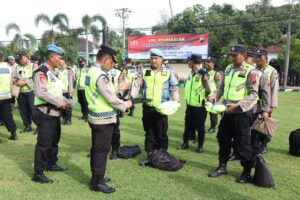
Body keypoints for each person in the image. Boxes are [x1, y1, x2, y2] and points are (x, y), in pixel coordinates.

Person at [207, 44, 260, 183]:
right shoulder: (229, 69)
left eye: (235, 55)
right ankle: (222, 166)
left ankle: (246, 172)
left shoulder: (251, 71)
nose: (232, 58)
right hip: (227, 111)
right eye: (231, 55)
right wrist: (214, 96)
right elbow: (221, 88)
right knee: (222, 139)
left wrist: (238, 104)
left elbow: (254, 94)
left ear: (243, 55)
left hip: (242, 113)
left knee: (243, 143)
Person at [85, 45, 132, 193]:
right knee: (101, 151)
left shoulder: (92, 71)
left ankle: (96, 177)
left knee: (96, 149)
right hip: (103, 119)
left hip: (95, 117)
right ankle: (97, 182)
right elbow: (110, 98)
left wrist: (119, 88)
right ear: (105, 60)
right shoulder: (100, 75)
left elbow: (105, 92)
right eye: (111, 62)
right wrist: (125, 104)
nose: (112, 66)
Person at [131, 48, 179, 164]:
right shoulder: (145, 71)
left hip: (161, 109)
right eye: (152, 58)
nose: (153, 60)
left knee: (161, 133)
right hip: (147, 107)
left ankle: (162, 156)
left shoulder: (168, 72)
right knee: (149, 132)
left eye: (156, 58)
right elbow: (137, 85)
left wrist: (176, 101)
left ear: (161, 59)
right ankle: (150, 156)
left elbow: (174, 88)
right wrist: (131, 96)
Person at [32, 45, 71, 184]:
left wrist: (65, 101)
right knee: (44, 143)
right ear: (51, 57)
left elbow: (56, 92)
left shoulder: (53, 73)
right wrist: (61, 102)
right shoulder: (41, 72)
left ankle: (51, 163)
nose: (61, 61)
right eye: (59, 58)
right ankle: (38, 172)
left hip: (55, 113)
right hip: (45, 113)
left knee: (54, 141)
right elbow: (41, 93)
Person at [177, 54, 210, 153]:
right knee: (187, 125)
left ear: (194, 63)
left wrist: (203, 98)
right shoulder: (191, 73)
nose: (189, 63)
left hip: (200, 106)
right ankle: (185, 143)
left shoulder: (203, 74)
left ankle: (200, 146)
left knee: (200, 127)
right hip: (190, 105)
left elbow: (208, 90)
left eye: (190, 62)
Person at [256, 48, 279, 154]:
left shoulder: (272, 71)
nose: (258, 59)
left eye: (260, 57)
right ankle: (255, 144)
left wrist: (271, 106)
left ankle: (264, 145)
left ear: (266, 59)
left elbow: (274, 89)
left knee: (264, 124)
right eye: (257, 57)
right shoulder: (253, 69)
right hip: (254, 102)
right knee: (254, 124)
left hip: (266, 102)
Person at [15, 51, 39, 132]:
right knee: (23, 111)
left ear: (26, 56)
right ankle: (27, 126)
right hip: (21, 92)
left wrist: (25, 82)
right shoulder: (17, 67)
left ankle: (39, 127)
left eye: (21, 58)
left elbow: (37, 79)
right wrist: (15, 81)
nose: (20, 60)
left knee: (33, 110)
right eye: (18, 59)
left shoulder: (34, 66)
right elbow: (14, 77)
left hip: (31, 91)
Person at [0, 52, 18, 140]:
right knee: (7, 115)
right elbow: (13, 80)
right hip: (7, 95)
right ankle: (13, 134)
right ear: (2, 58)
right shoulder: (8, 67)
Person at [107, 62, 122, 159]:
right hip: (101, 103)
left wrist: (120, 94)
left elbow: (122, 85)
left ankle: (115, 149)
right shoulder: (99, 72)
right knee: (99, 129)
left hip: (114, 102)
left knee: (115, 128)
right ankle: (96, 149)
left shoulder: (119, 72)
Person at [205, 56, 222, 133]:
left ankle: (213, 127)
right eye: (206, 62)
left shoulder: (216, 73)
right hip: (204, 96)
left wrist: (215, 95)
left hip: (212, 96)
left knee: (212, 112)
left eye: (209, 62)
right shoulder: (205, 72)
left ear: (213, 64)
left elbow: (219, 86)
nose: (207, 63)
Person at [58, 58, 74, 125]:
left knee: (67, 106)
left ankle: (68, 120)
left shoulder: (69, 70)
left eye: (61, 61)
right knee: (61, 106)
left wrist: (70, 91)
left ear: (65, 62)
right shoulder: (59, 71)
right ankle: (64, 118)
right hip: (60, 91)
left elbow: (70, 81)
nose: (60, 62)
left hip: (67, 91)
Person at [75, 57, 89, 121]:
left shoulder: (87, 69)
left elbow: (89, 78)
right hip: (78, 88)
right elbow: (76, 77)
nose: (80, 63)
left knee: (85, 102)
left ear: (84, 62)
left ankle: (87, 116)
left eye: (81, 62)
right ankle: (84, 115)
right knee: (80, 102)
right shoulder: (77, 69)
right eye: (79, 62)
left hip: (84, 88)